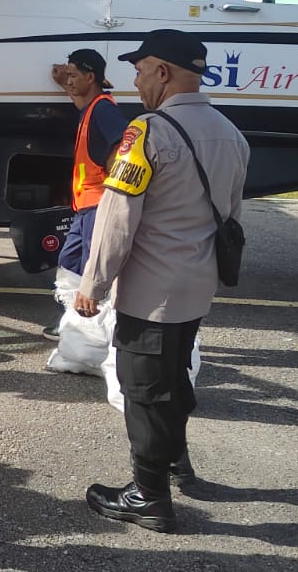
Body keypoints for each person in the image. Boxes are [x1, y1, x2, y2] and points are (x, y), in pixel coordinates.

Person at [75, 29, 249, 532]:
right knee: (173, 379)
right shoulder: (230, 133)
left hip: (151, 292)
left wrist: (93, 284)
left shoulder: (146, 132)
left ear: (163, 72)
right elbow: (231, 215)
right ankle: (176, 461)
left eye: (140, 68)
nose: (135, 78)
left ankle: (148, 495)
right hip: (197, 287)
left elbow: (116, 218)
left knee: (145, 389)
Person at [43, 48, 128, 342]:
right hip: (85, 205)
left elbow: (121, 145)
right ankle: (75, 322)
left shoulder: (105, 109)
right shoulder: (93, 105)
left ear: (90, 77)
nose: (68, 81)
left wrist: (115, 186)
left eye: (74, 75)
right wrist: (63, 82)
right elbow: (81, 99)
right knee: (71, 261)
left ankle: (99, 330)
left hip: (99, 204)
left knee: (94, 268)